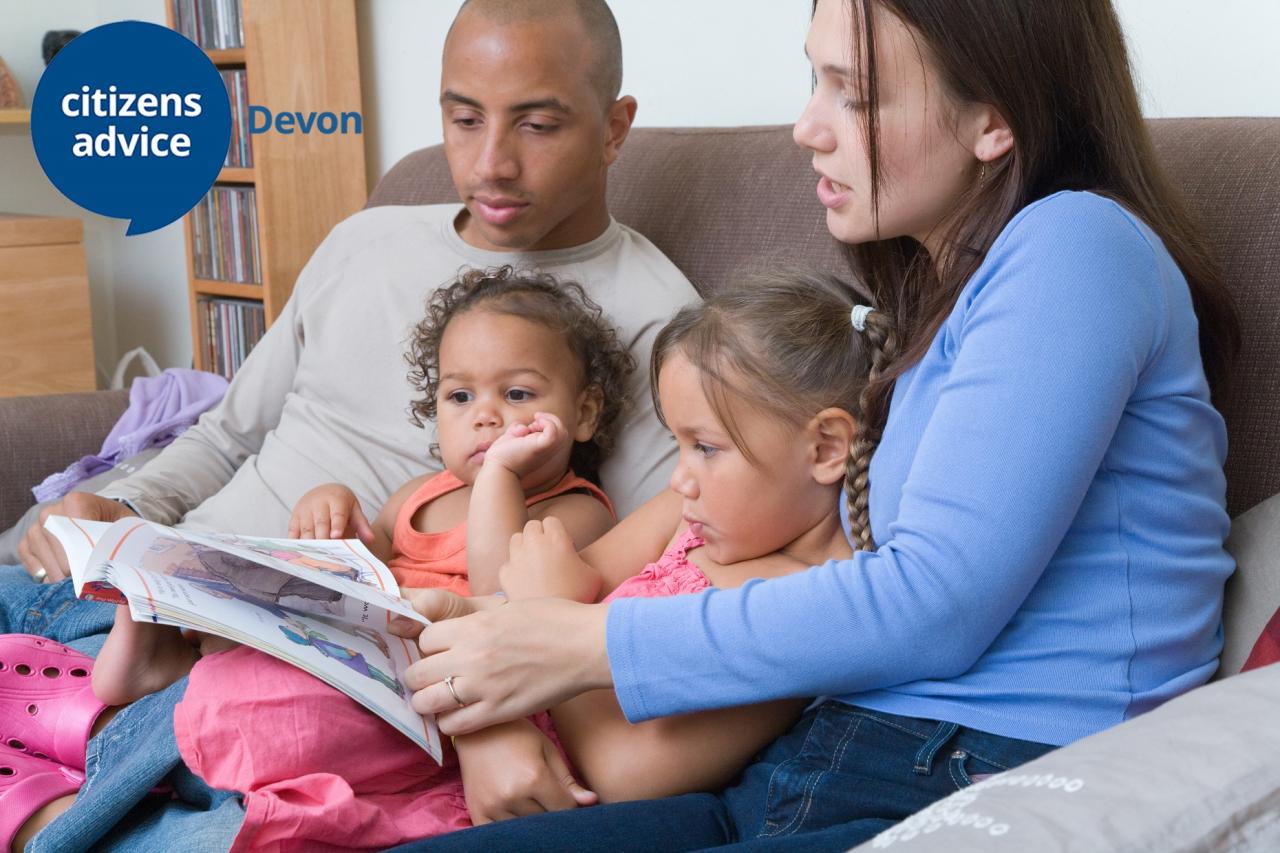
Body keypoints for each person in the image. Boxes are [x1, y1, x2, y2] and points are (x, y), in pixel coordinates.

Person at [393, 0, 1241, 849]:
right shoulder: (930, 309)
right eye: (814, 81)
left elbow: (936, 601)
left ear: (994, 122)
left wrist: (580, 641)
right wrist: (494, 633)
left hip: (977, 777)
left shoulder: (1078, 243)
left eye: (855, 95)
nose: (808, 127)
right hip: (824, 763)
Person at [1, 0, 699, 848]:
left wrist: (490, 720)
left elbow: (612, 587)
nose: (490, 164)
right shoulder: (365, 242)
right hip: (137, 597)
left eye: (538, 124)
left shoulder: (660, 325)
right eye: (463, 117)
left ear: (615, 127)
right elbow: (225, 433)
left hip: (309, 672)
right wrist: (116, 508)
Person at [161, 271, 892, 851]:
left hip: (510, 781)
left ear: (826, 448)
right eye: (678, 445)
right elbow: (550, 579)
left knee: (254, 746)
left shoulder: (799, 608)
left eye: (707, 447)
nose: (679, 475)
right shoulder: (694, 516)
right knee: (250, 685)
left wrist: (539, 616)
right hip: (478, 708)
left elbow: (624, 772)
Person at [85, 266, 631, 709]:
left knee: (274, 688)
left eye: (516, 394)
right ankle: (165, 652)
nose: (484, 416)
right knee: (256, 622)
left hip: (431, 682)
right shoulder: (423, 493)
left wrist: (500, 475)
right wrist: (334, 514)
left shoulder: (578, 512)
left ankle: (183, 677)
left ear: (583, 413)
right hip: (353, 646)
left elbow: (500, 599)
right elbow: (367, 573)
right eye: (459, 397)